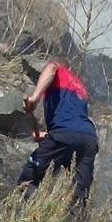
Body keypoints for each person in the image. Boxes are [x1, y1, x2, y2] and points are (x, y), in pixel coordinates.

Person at [17, 56, 98, 204]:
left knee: (27, 181)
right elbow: (75, 125)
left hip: (65, 135)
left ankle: (38, 217)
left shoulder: (58, 70)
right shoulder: (80, 86)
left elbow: (51, 68)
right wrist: (48, 136)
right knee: (79, 195)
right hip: (89, 139)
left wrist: (34, 98)